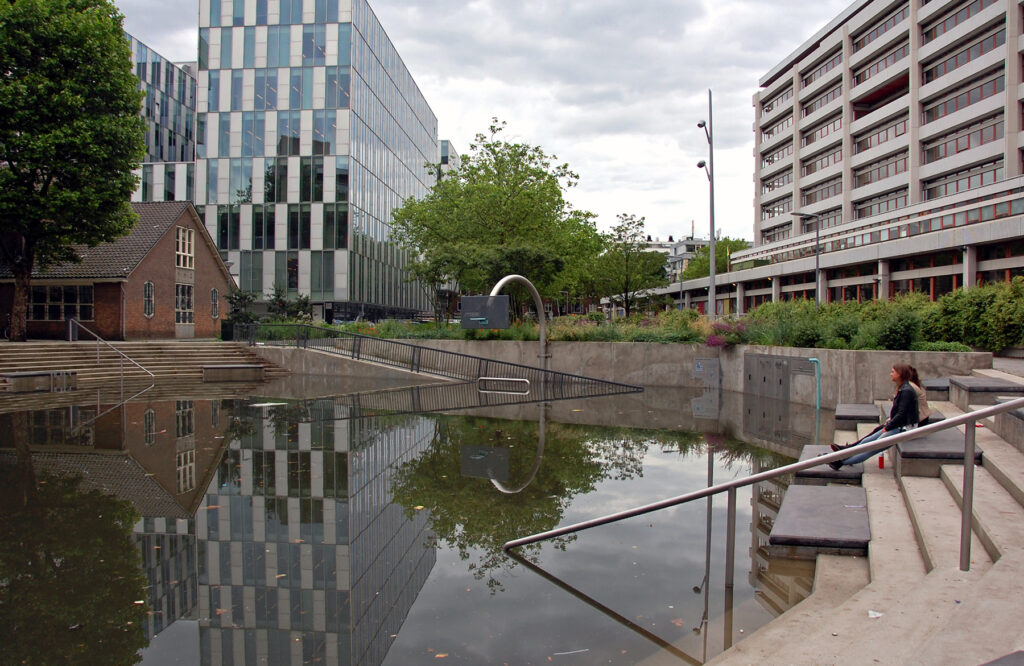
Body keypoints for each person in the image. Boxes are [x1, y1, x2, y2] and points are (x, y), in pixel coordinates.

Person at [829, 363, 919, 470]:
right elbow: (899, 413)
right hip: (898, 426)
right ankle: (843, 455)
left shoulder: (906, 391)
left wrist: (888, 427)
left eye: (893, 372)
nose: (890, 374)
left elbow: (902, 415)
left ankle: (840, 462)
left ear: (899, 374)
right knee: (866, 442)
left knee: (871, 448)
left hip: (903, 429)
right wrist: (889, 423)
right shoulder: (903, 388)